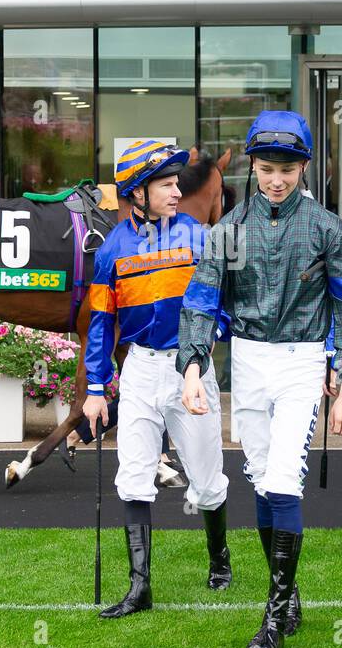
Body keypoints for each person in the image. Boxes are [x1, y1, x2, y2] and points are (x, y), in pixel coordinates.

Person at [179, 110, 342, 648]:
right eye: (266, 168)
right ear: (253, 167)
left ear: (304, 167)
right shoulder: (228, 230)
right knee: (263, 481)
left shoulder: (328, 227)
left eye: (287, 168)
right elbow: (201, 297)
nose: (276, 179)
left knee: (285, 479)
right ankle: (288, 596)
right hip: (248, 362)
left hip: (301, 363)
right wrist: (194, 366)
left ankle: (272, 609)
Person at [84, 140, 233, 619]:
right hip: (141, 370)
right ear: (137, 193)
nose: (176, 192)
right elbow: (101, 323)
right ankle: (139, 586)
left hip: (192, 368)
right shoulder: (112, 250)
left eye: (176, 183)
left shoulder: (201, 237)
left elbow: (222, 307)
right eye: (166, 185)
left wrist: (210, 338)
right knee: (133, 476)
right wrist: (93, 388)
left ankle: (220, 559)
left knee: (207, 483)